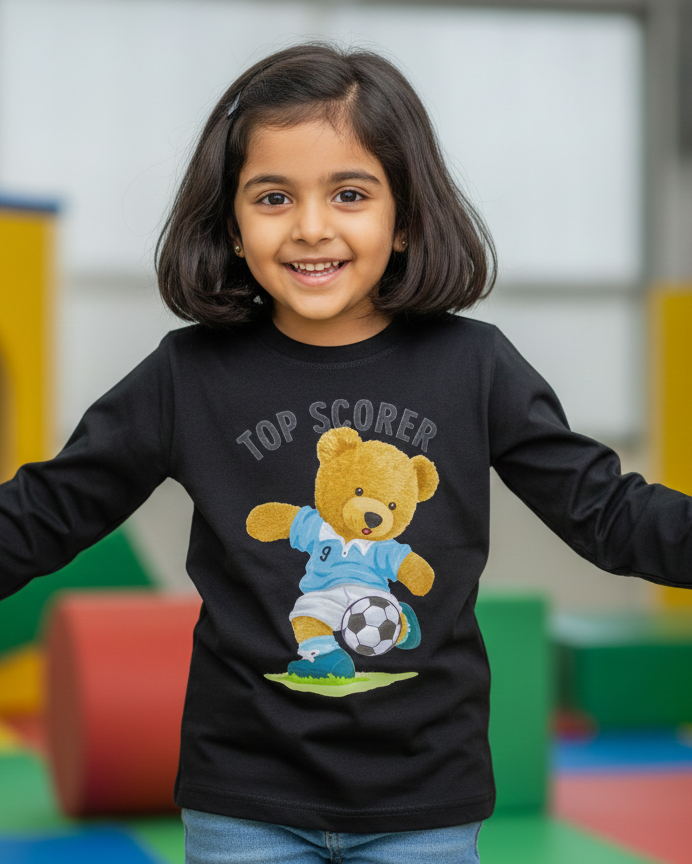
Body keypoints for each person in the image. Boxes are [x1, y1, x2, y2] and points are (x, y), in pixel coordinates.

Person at [1, 41, 691, 864]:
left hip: (423, 799)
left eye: (351, 193)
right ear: (232, 221)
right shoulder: (186, 377)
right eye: (273, 196)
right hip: (243, 798)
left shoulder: (476, 366)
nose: (311, 227)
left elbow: (607, 512)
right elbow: (46, 510)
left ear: (404, 218)